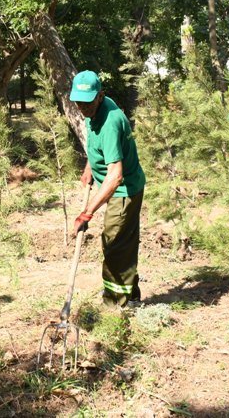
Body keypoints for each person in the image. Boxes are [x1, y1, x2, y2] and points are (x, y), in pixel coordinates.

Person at [70, 71, 146, 308]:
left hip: (123, 191)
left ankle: (117, 304)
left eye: (87, 102)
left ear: (100, 96)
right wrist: (90, 166)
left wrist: (87, 213)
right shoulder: (94, 111)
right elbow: (98, 143)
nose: (82, 107)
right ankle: (130, 295)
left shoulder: (110, 122)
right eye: (78, 102)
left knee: (115, 245)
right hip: (118, 187)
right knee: (121, 243)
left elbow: (115, 176)